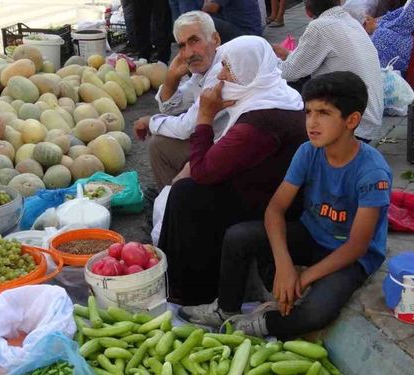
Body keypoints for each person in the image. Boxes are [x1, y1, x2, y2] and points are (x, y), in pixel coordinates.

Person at [178, 72, 392, 339]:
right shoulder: (308, 151)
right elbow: (275, 210)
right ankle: (226, 309)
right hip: (312, 235)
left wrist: (303, 279)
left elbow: (357, 246)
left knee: (317, 313)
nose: (312, 122)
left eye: (324, 113)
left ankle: (262, 324)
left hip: (350, 256)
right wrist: (284, 266)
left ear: (352, 120)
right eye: (309, 112)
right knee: (239, 236)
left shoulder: (372, 172)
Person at [158, 36, 307, 306]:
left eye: (229, 68)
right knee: (186, 186)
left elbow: (203, 172)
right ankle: (173, 276)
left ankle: (190, 292)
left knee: (186, 195)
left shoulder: (260, 120)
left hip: (271, 203)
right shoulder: (279, 94)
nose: (223, 76)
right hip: (269, 189)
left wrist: (205, 116)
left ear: (250, 71)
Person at [133, 11, 223, 191]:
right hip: (217, 140)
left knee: (159, 145)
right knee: (161, 140)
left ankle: (172, 204)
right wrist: (171, 79)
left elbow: (187, 127)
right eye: (182, 46)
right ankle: (173, 202)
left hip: (225, 147)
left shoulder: (220, 71)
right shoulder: (203, 71)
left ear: (215, 39)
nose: (188, 53)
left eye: (194, 41)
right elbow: (172, 108)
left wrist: (150, 122)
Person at [272, 0, 384, 142]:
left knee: (282, 87)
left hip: (355, 127)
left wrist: (266, 60)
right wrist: (289, 55)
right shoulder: (352, 21)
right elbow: (314, 58)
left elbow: (289, 72)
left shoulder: (319, 26)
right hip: (370, 121)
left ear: (307, 11)